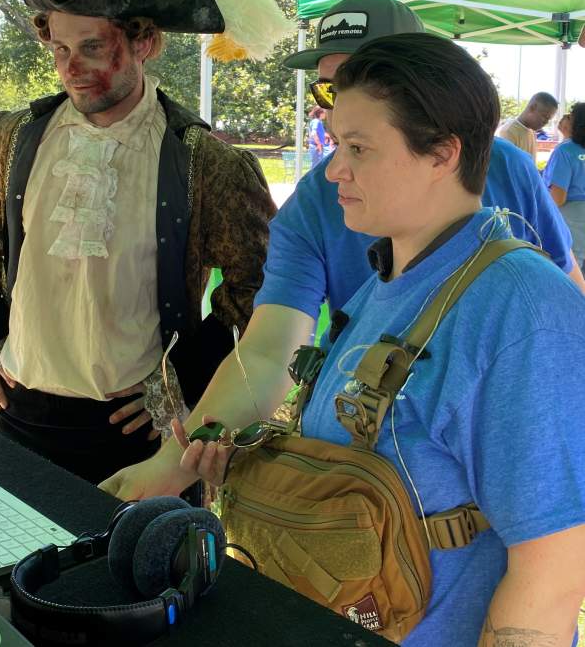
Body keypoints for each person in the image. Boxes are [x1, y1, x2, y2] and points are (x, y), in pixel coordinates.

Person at [123, 32, 585, 647]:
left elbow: (553, 572)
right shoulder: (390, 280)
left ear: (443, 154)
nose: (333, 168)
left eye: (359, 148)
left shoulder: (519, 311)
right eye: (337, 143)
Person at [101, 0, 583, 498]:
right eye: (330, 88)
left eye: (365, 76)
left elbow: (564, 293)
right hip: (373, 487)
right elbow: (270, 351)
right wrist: (178, 462)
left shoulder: (505, 170)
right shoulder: (317, 203)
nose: (339, 108)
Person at [0, 0, 290, 485]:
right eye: (59, 47)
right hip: (18, 412)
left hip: (139, 430)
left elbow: (261, 285)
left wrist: (181, 378)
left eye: (91, 47)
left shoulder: (207, 164)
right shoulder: (11, 140)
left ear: (145, 42)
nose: (70, 66)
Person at [545, 102, 585, 271]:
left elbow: (558, 198)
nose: (565, 119)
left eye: (570, 116)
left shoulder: (565, 151)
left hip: (572, 218)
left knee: (569, 268)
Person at [497, 91, 558, 162]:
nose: (546, 122)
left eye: (549, 119)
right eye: (545, 116)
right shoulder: (508, 132)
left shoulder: (531, 131)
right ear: (532, 107)